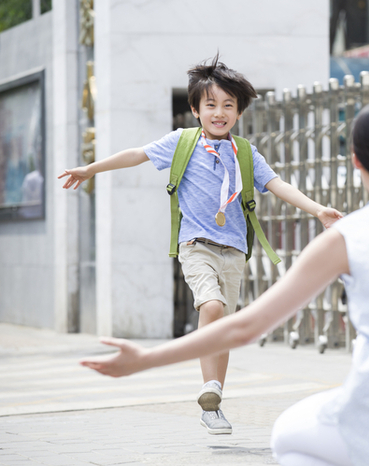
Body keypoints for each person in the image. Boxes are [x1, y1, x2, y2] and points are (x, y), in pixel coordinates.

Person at [80, 96, 369, 465]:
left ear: (357, 163)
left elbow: (246, 328)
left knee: (290, 435)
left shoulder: (349, 237)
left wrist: (145, 360)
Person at [59, 54, 343, 436]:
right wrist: (90, 169)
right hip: (195, 244)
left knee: (222, 322)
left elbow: (277, 185)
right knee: (211, 305)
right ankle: (208, 384)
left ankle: (214, 399)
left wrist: (318, 210)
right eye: (211, 105)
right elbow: (137, 154)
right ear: (195, 110)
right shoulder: (183, 142)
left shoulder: (245, 152)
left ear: (239, 112)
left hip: (234, 250)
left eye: (228, 105)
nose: (220, 112)